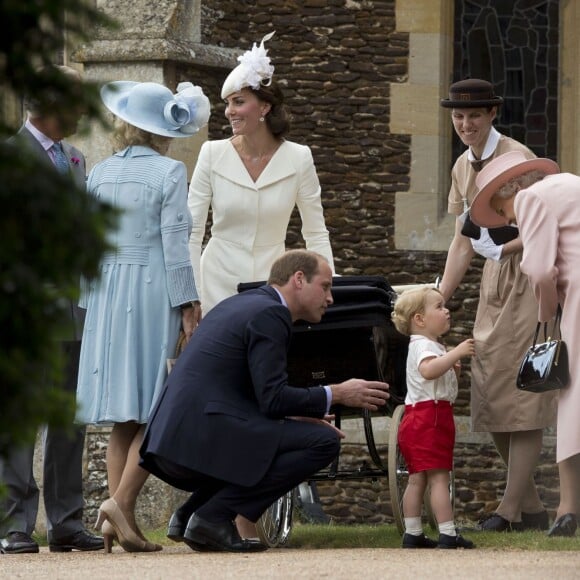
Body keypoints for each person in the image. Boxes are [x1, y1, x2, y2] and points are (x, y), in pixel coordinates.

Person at [139, 249, 390, 552]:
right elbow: (272, 399)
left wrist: (294, 415)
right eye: (325, 286)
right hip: (199, 437)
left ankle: (193, 511)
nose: (330, 299)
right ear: (299, 279)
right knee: (323, 442)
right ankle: (213, 516)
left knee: (294, 434)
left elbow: (250, 392)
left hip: (176, 436)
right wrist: (336, 393)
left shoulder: (245, 304)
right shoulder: (272, 314)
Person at [76, 80, 210, 553]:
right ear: (160, 130)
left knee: (123, 414)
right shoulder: (171, 171)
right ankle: (119, 508)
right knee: (158, 408)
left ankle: (118, 518)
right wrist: (188, 303)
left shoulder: (100, 173)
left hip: (107, 292)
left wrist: (90, 303)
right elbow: (175, 247)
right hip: (152, 289)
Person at [438, 79, 557, 532]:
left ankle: (508, 510)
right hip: (494, 285)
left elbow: (545, 228)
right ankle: (530, 507)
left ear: (492, 114)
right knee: (489, 393)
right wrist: (439, 296)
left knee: (525, 391)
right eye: (458, 117)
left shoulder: (518, 159)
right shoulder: (461, 165)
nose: (465, 124)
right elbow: (463, 240)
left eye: (474, 115)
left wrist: (503, 251)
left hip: (531, 276)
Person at [0, 65, 104, 555]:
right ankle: (13, 524)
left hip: (76, 307)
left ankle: (65, 519)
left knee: (70, 415)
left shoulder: (76, 159)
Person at [470, 150, 579, 538]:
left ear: (510, 190)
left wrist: (547, 314)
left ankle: (568, 510)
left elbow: (537, 267)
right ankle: (560, 508)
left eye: (500, 210)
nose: (505, 220)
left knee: (571, 400)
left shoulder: (531, 198)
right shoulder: (568, 184)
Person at [188, 31, 335, 316]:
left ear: (265, 107)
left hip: (273, 285)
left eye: (239, 102)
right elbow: (192, 233)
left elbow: (316, 232)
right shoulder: (211, 153)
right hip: (215, 283)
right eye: (228, 103)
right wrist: (192, 296)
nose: (230, 111)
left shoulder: (299, 157)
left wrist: (328, 288)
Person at [392, 287, 475, 549]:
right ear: (419, 319)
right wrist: (456, 354)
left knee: (417, 478)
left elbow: (441, 381)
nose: (447, 310)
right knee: (439, 477)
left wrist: (452, 366)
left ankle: (413, 531)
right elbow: (428, 372)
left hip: (419, 417)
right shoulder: (426, 346)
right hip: (431, 418)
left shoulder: (425, 346)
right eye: (439, 306)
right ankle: (448, 532)